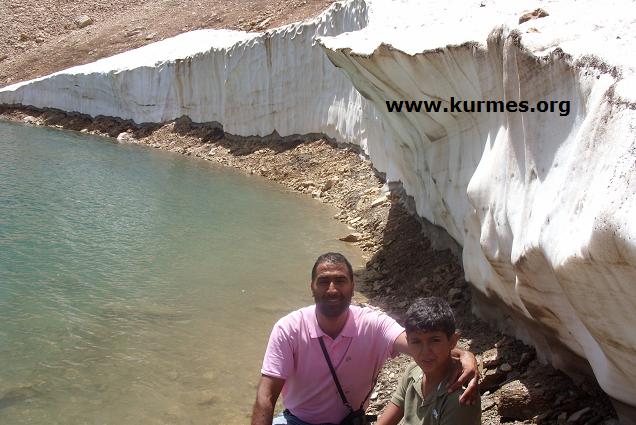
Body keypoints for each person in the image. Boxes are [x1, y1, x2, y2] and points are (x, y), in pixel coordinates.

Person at [250, 252, 478, 425]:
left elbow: (418, 344)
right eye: (324, 281)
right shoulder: (289, 329)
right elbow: (266, 396)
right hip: (298, 421)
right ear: (312, 287)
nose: (332, 289)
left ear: (353, 286)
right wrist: (463, 354)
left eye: (340, 280)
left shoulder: (373, 324)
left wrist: (465, 356)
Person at [375, 297, 481, 425]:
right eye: (416, 342)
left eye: (434, 340)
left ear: (452, 341)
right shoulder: (413, 372)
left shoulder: (459, 397)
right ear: (408, 342)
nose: (425, 351)